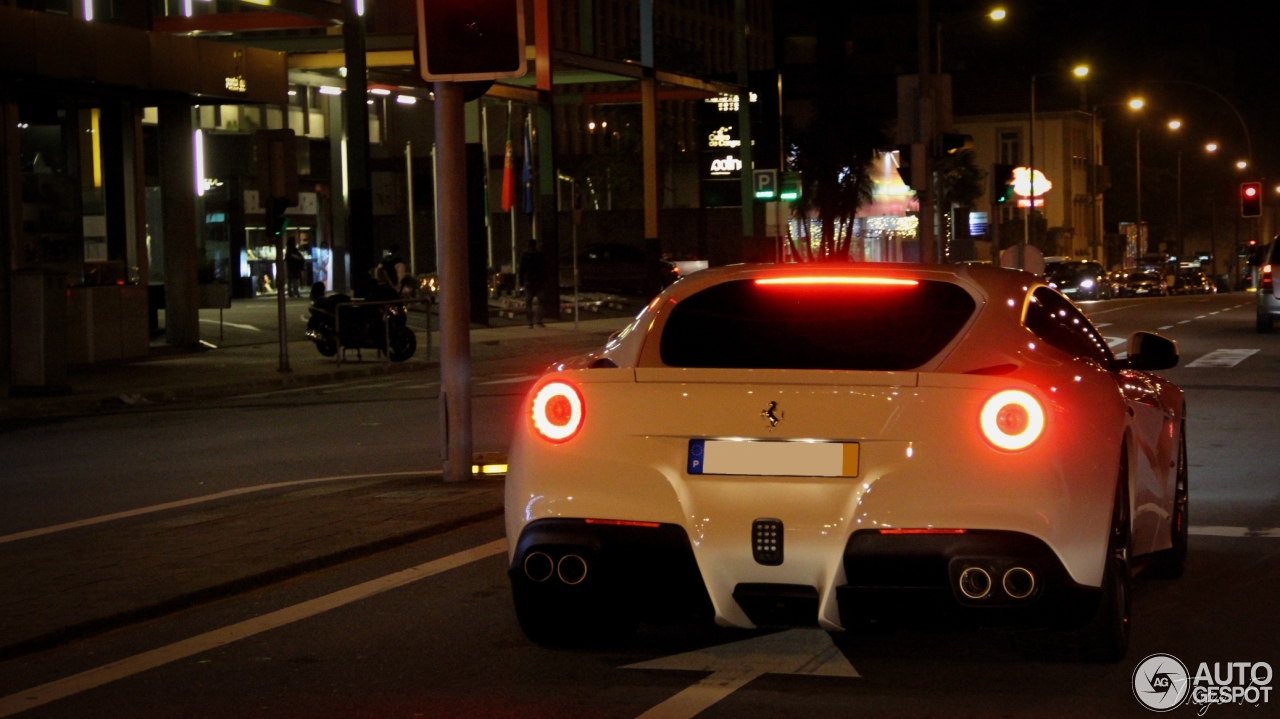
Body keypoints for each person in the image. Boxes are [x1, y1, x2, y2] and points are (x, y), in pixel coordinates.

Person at [518, 239, 547, 328]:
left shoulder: (524, 255)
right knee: (541, 301)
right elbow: (544, 268)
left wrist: (521, 282)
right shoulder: (540, 255)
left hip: (528, 281)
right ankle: (539, 320)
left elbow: (521, 270)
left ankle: (530, 322)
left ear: (528, 245)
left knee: (528, 302)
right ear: (535, 245)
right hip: (539, 281)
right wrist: (545, 280)